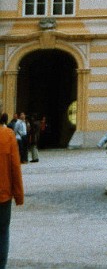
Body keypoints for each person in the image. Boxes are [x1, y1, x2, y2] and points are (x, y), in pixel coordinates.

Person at [0, 110, 24, 269]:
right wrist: (19, 195)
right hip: (3, 195)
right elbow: (15, 167)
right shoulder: (8, 135)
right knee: (2, 233)